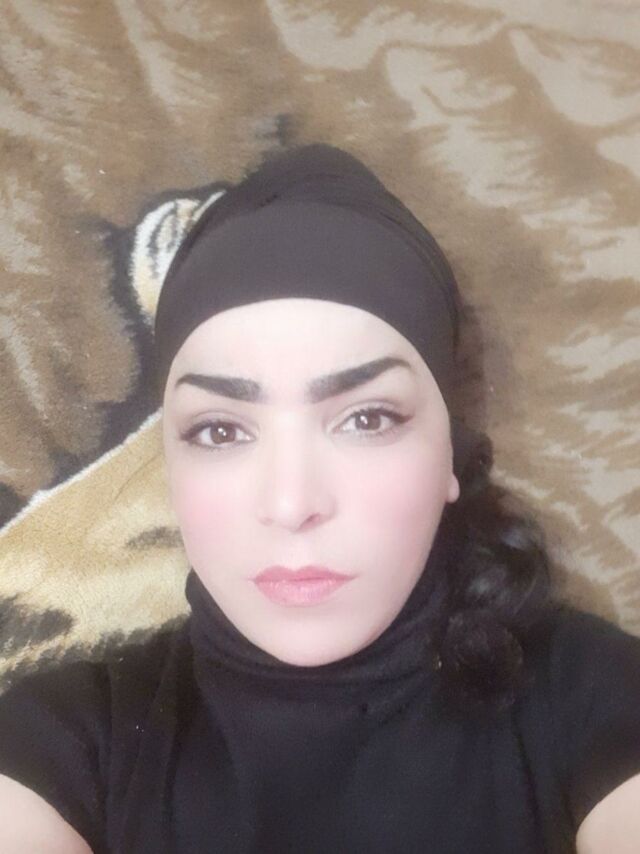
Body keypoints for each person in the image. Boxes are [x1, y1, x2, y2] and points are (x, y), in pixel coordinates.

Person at [0, 144, 639, 854]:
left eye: (367, 419)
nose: (291, 502)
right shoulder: (56, 746)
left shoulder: (597, 696)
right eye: (220, 430)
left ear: (450, 459)